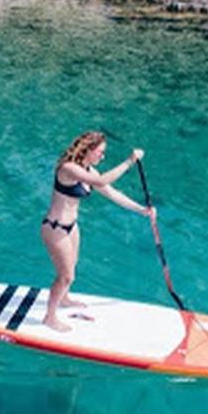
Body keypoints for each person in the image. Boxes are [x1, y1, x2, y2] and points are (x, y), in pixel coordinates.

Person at [40, 130, 155, 331]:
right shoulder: (68, 169)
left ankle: (64, 298)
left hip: (72, 227)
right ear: (88, 150)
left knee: (72, 270)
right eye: (100, 152)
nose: (102, 156)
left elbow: (111, 193)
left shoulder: (89, 171)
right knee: (65, 276)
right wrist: (129, 161)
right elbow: (102, 182)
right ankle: (49, 317)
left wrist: (141, 210)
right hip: (55, 228)